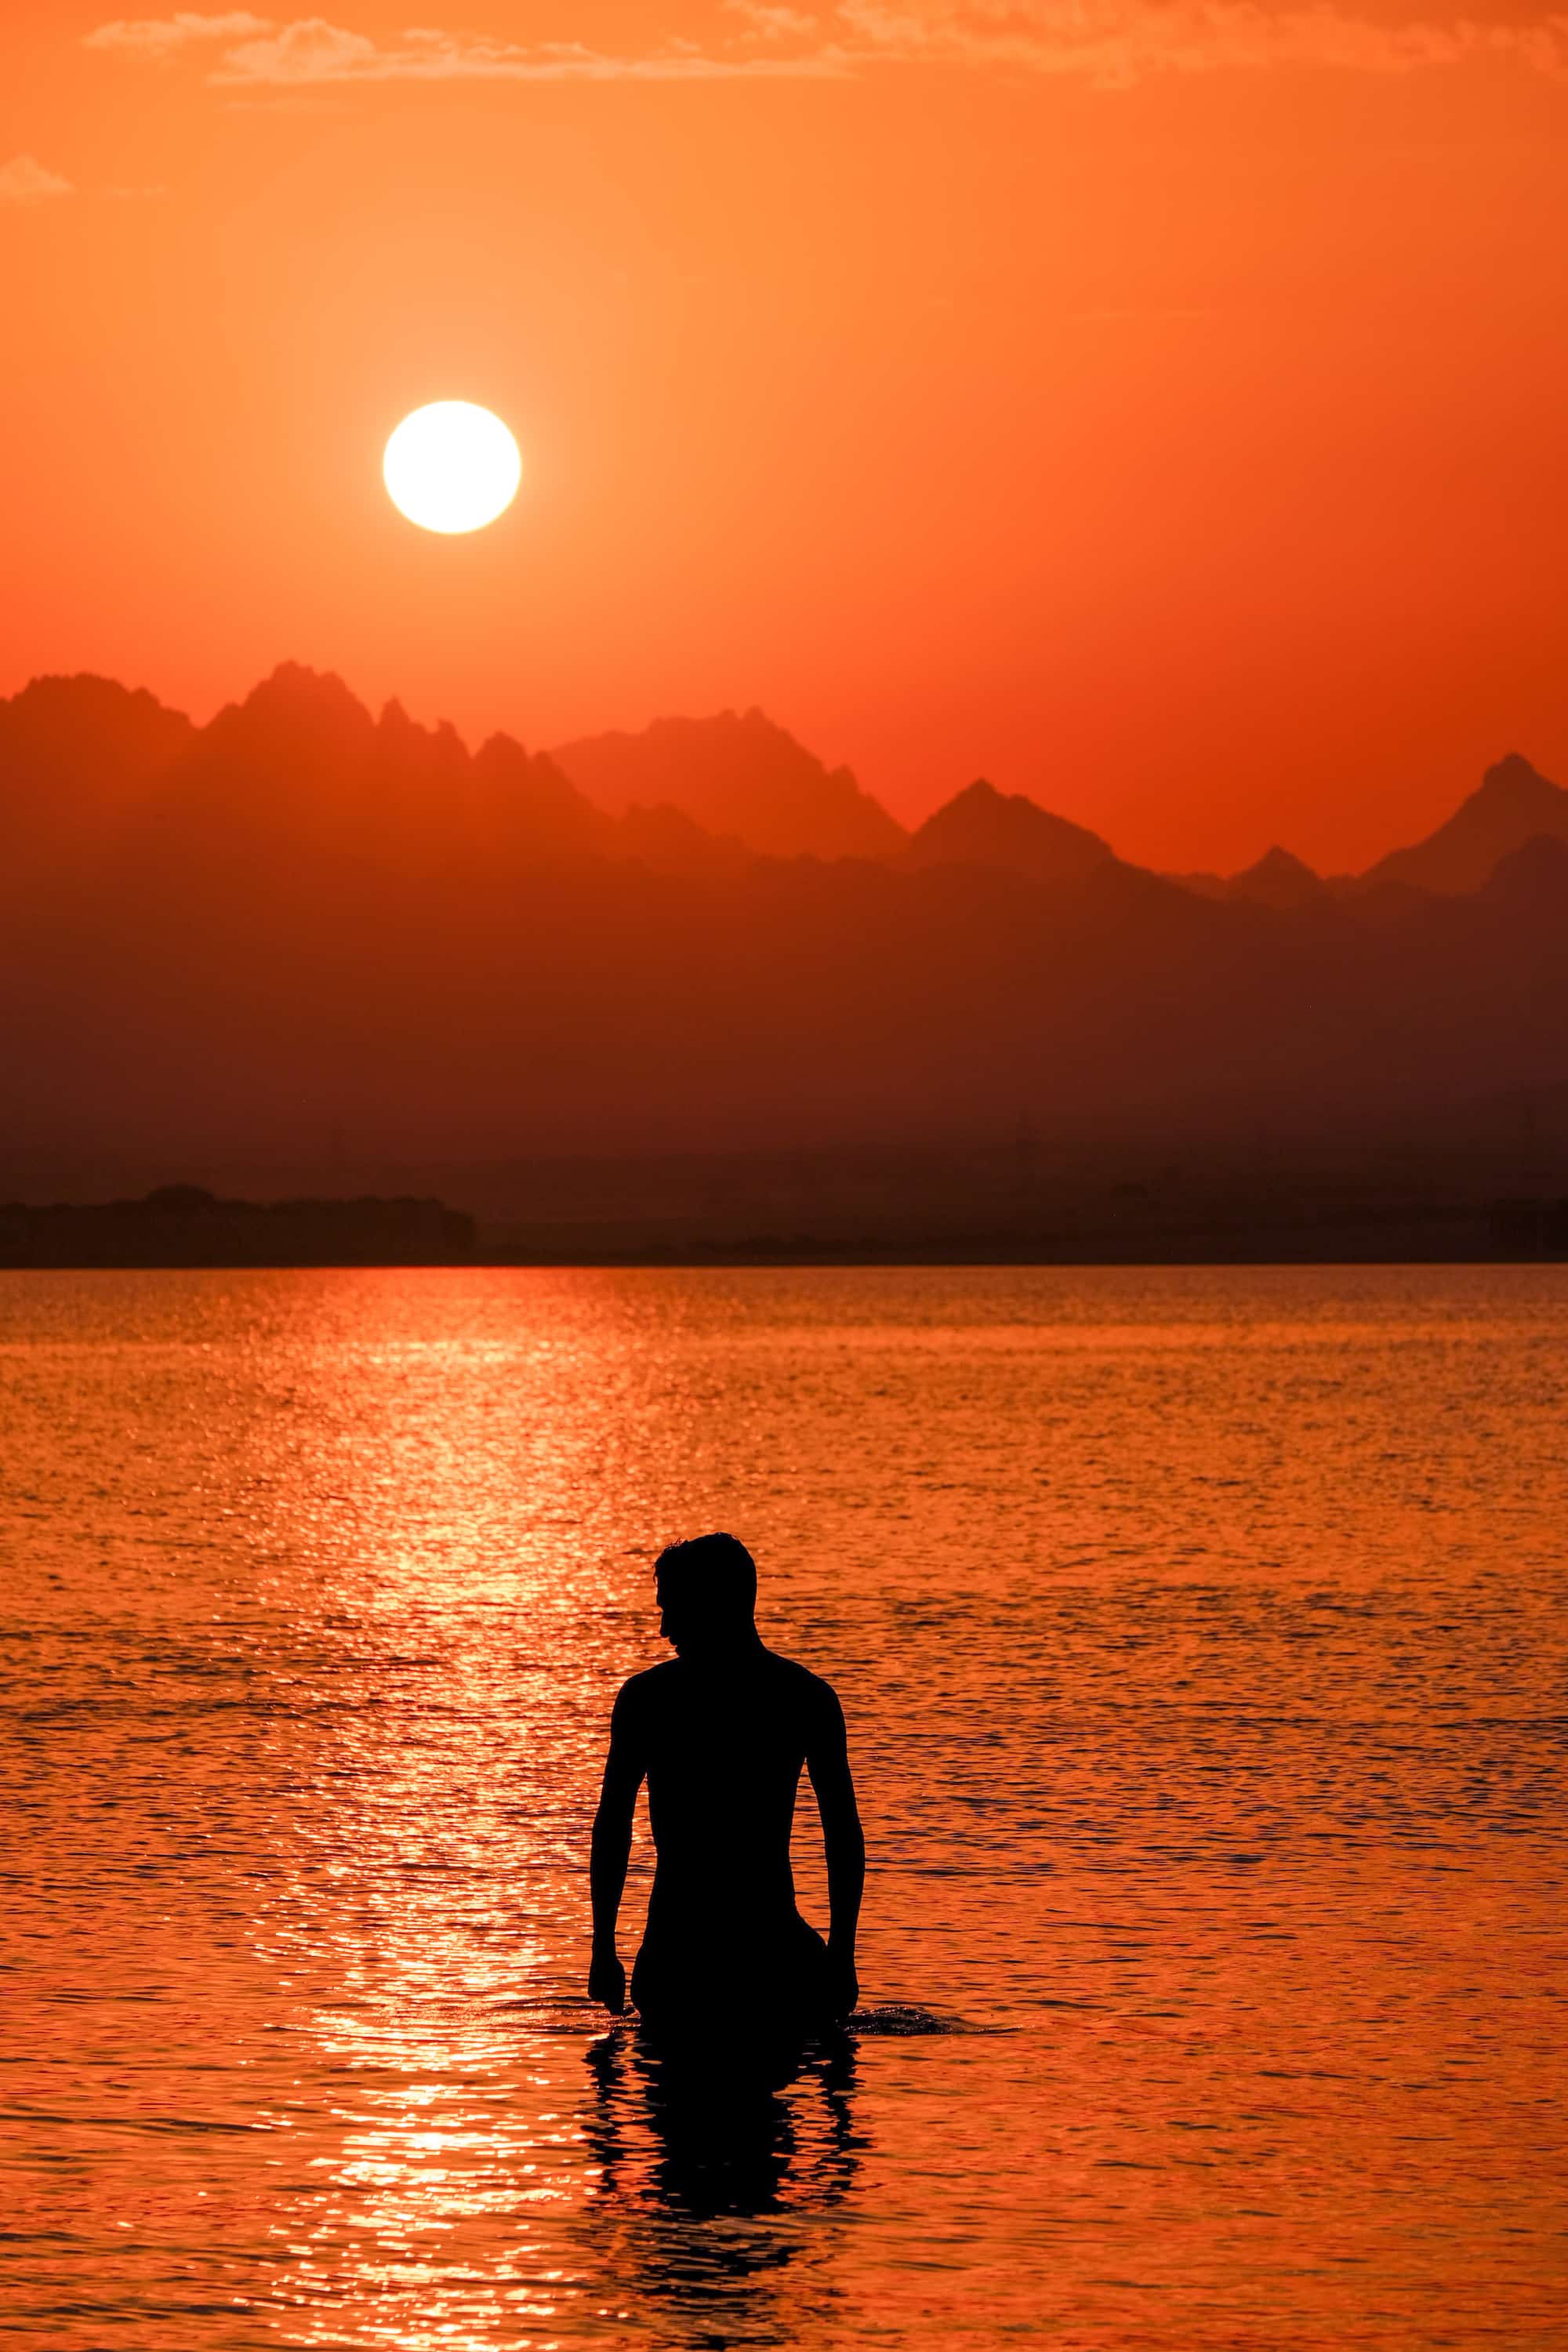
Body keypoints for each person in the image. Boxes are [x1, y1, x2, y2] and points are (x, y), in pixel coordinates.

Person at [588, 1533, 864, 2048]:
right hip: (751, 1963)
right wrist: (840, 1953)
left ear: (717, 1605)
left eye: (675, 1610)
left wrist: (604, 1948)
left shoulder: (651, 1700)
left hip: (694, 1966)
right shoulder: (804, 1697)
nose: (666, 1628)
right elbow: (612, 1826)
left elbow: (842, 1833)